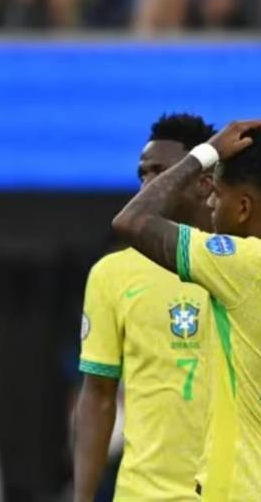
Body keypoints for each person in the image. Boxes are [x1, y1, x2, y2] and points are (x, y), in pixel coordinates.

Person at [112, 118, 261, 500]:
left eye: (219, 194)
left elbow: (133, 221)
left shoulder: (243, 264)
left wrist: (205, 153)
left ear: (243, 207)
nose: (210, 202)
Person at [74, 114, 216, 501]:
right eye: (143, 174)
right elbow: (98, 394)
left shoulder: (239, 263)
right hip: (143, 492)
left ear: (202, 181)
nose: (147, 185)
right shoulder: (113, 274)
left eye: (162, 173)